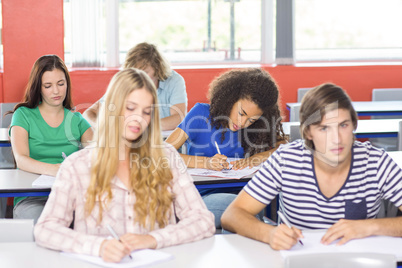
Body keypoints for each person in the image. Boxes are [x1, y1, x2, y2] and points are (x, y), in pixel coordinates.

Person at [34, 68, 215, 263]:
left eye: (147, 111)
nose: (138, 118)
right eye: (130, 108)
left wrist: (152, 239)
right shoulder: (76, 166)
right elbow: (46, 228)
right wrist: (99, 247)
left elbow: (203, 220)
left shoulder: (167, 157)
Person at [221, 83, 402, 250]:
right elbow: (232, 215)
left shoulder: (377, 162)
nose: (336, 138)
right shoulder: (286, 159)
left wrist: (370, 226)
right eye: (324, 128)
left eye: (343, 125)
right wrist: (269, 233)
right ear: (308, 132)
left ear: (354, 125)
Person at [165, 68, 286, 228]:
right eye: (241, 113)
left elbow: (283, 146)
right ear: (230, 99)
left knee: (253, 208)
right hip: (202, 196)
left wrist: (257, 157)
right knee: (245, 213)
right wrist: (206, 163)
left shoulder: (256, 129)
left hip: (243, 194)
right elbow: (163, 153)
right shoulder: (200, 114)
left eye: (252, 120)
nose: (243, 123)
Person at [9, 55, 93, 224]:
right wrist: (56, 169)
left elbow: (96, 155)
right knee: (43, 226)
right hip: (31, 197)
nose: (56, 91)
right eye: (48, 86)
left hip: (69, 196)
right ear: (38, 88)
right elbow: (21, 159)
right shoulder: (23, 115)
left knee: (87, 224)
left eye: (61, 84)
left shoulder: (76, 120)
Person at [83, 42, 187, 131]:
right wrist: (102, 127)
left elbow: (179, 117)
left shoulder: (174, 81)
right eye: (134, 72)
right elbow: (89, 113)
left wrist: (139, 126)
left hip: (164, 140)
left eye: (145, 72)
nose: (139, 77)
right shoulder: (125, 81)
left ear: (157, 68)